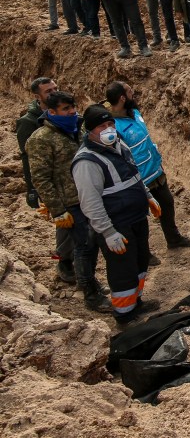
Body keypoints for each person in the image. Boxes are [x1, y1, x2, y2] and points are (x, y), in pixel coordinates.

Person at [25, 92, 112, 312]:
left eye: (72, 107)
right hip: (71, 202)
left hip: (90, 196)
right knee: (84, 246)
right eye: (65, 109)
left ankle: (90, 282)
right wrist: (57, 210)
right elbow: (41, 178)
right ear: (51, 112)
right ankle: (90, 294)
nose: (72, 111)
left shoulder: (77, 129)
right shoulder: (41, 139)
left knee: (94, 244)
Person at [72, 104, 159, 323]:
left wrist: (147, 196)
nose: (109, 129)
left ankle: (135, 302)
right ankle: (124, 315)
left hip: (136, 217)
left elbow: (134, 175)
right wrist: (108, 232)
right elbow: (90, 203)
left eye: (110, 123)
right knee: (123, 271)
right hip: (116, 224)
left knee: (139, 263)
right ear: (90, 131)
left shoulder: (119, 145)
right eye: (102, 126)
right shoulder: (87, 162)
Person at [104, 81, 190, 251]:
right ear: (123, 98)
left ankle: (173, 238)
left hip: (155, 169)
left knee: (166, 203)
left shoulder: (134, 112)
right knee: (139, 216)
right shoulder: (114, 127)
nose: (134, 93)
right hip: (138, 177)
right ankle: (143, 252)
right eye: (130, 91)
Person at [17, 77, 58, 210]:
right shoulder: (28, 122)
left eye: (55, 89)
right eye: (48, 91)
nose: (54, 93)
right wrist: (32, 189)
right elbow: (27, 157)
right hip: (50, 180)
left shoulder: (66, 113)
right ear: (37, 96)